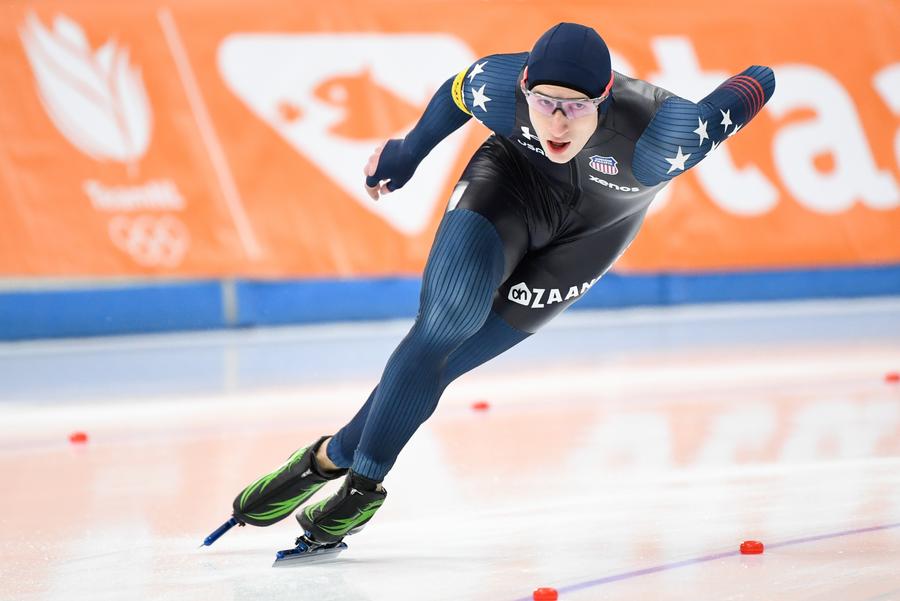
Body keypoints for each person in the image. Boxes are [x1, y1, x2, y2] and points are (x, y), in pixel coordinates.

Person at [230, 22, 775, 551]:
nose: (557, 123)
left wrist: (762, 69)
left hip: (589, 237)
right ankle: (362, 488)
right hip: (509, 186)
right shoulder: (499, 85)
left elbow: (751, 87)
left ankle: (327, 457)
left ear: (604, 98)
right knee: (445, 322)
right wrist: (409, 151)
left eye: (578, 107)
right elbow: (455, 91)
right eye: (545, 102)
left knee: (445, 362)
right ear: (525, 89)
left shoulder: (664, 137)